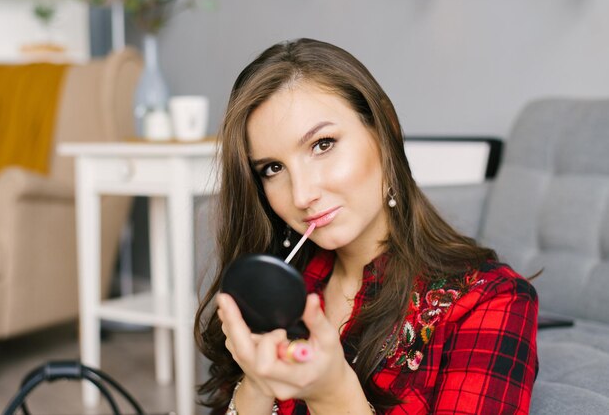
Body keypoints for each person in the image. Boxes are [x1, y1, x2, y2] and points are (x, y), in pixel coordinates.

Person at [194, 38, 538, 415]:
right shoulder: (282, 288)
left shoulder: (490, 301)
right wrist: (256, 382)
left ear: (385, 131)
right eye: (273, 169)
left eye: (322, 145)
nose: (302, 194)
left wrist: (333, 394)